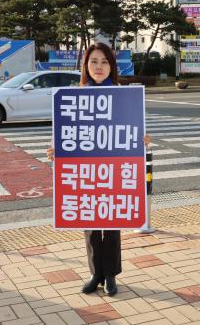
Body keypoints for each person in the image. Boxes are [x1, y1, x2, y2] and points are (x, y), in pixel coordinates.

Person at [47, 42, 151, 297]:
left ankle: (111, 276)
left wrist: (142, 140)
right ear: (86, 65)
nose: (99, 67)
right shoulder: (75, 96)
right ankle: (96, 274)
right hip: (86, 170)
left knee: (112, 223)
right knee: (91, 223)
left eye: (104, 62)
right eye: (94, 61)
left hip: (113, 168)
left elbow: (129, 129)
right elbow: (68, 132)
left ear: (112, 66)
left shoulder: (123, 95)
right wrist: (56, 150)